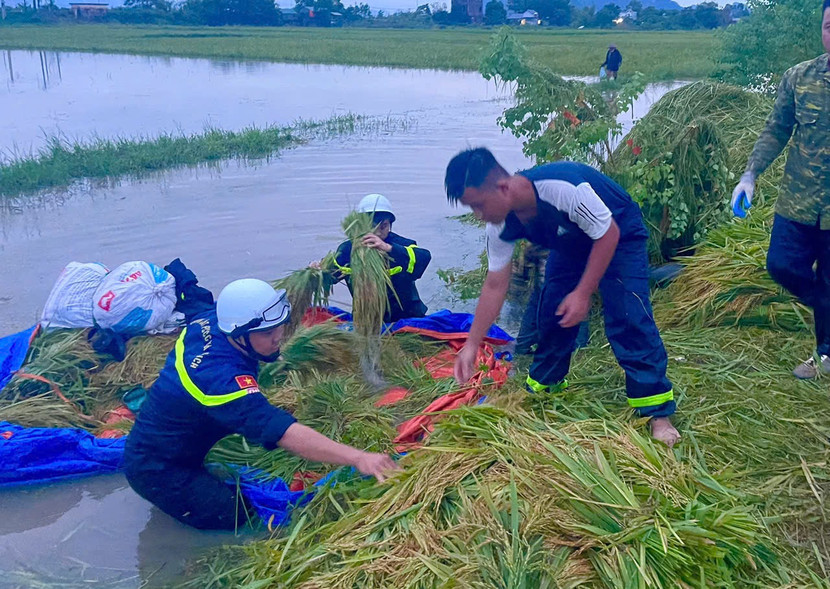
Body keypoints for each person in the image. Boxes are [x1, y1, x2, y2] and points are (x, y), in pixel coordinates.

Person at [444, 148, 680, 447]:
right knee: (554, 310)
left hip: (618, 232)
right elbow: (494, 285)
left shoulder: (562, 189)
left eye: (478, 205)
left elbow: (607, 235)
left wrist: (583, 293)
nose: (478, 216)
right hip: (571, 243)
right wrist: (472, 344)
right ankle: (546, 388)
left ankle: (657, 412)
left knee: (628, 315)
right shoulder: (499, 224)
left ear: (503, 187)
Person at [124, 278, 399, 531]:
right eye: (267, 333)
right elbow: (283, 432)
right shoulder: (221, 382)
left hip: (180, 433)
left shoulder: (210, 321)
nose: (278, 336)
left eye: (279, 326)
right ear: (241, 334)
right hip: (157, 468)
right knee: (237, 516)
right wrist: (359, 457)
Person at [731, 0, 830, 379]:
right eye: (828, 26)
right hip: (797, 203)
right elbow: (776, 130)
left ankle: (825, 355)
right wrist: (749, 176)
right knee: (782, 265)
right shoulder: (798, 77)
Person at [332, 193, 432, 323]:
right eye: (372, 226)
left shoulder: (402, 245)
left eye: (383, 226)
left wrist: (388, 248)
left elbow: (424, 257)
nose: (378, 232)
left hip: (407, 319)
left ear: (389, 225)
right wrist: (316, 272)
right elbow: (330, 276)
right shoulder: (347, 250)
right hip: (368, 321)